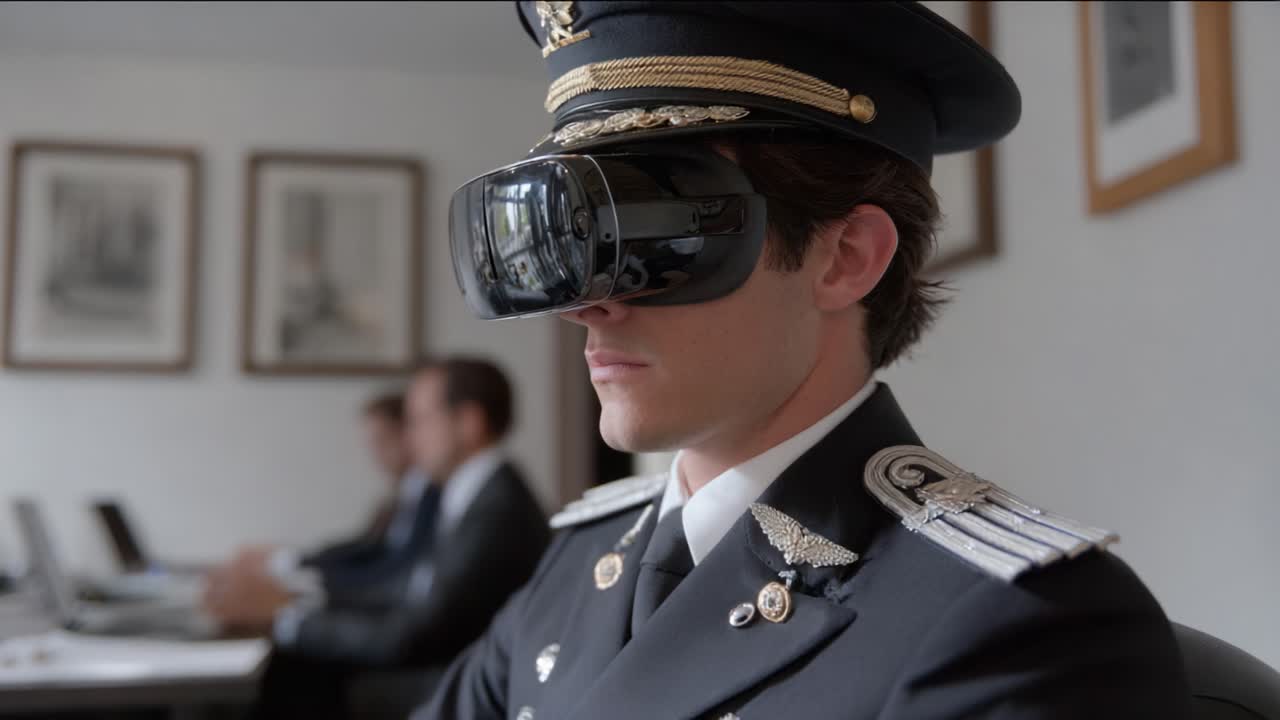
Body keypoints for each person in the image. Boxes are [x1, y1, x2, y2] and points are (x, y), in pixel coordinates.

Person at [415, 3, 1192, 719]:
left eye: (651, 242)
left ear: (846, 257)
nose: (586, 306)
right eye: (582, 249)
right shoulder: (578, 563)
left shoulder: (1021, 627)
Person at [226, 357, 550, 719]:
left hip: (458, 686)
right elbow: (405, 591)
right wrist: (295, 605)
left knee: (293, 676)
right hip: (444, 669)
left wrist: (287, 619)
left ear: (469, 423)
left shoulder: (496, 510)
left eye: (420, 422)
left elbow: (415, 635)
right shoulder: (473, 494)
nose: (410, 439)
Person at [205, 390, 438, 619]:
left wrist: (295, 589)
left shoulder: (433, 494)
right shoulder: (400, 496)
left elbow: (390, 571)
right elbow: (363, 550)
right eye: (371, 443)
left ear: (408, 435)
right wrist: (285, 560)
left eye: (382, 441)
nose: (375, 453)